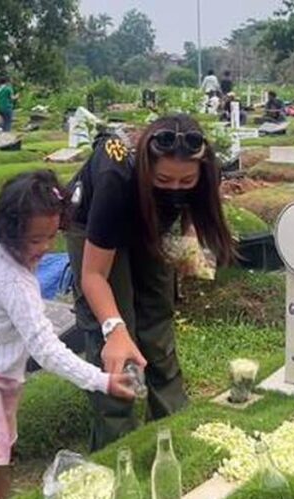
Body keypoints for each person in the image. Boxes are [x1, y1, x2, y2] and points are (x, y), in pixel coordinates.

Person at [0, 170, 136, 499]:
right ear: (9, 229)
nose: (44, 247)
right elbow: (46, 350)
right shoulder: (13, 281)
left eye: (50, 235)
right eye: (34, 240)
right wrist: (102, 381)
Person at [65, 115, 236, 451]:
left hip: (149, 223)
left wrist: (186, 239)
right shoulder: (116, 175)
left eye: (186, 181)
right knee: (114, 334)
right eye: (164, 179)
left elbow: (193, 203)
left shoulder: (206, 168)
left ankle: (173, 425)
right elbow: (94, 276)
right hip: (95, 226)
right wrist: (115, 330)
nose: (175, 188)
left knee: (157, 313)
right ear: (147, 166)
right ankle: (117, 446)